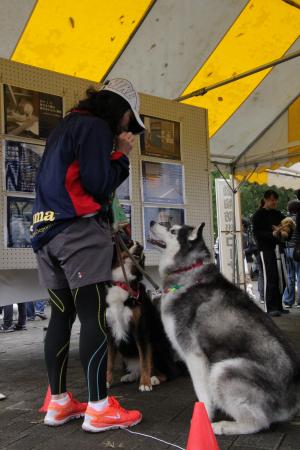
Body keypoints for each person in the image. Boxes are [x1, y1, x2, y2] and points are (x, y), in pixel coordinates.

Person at [30, 79, 145, 432]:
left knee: (61, 317)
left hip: (45, 232)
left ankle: (60, 403)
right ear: (119, 109)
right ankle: (97, 407)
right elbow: (98, 183)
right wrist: (121, 156)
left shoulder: (63, 128)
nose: (128, 128)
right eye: (129, 120)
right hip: (77, 232)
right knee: (93, 314)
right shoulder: (95, 127)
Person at [252, 190, 289, 317]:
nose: (275, 202)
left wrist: (286, 229)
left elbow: (286, 227)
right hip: (265, 250)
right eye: (272, 200)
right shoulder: (258, 215)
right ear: (265, 199)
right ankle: (270, 307)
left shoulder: (277, 213)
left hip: (279, 249)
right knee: (270, 278)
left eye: (275, 200)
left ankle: (279, 306)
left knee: (281, 279)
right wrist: (271, 234)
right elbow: (257, 234)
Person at [282, 200, 300, 308]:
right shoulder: (299, 219)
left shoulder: (285, 220)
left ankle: (288, 301)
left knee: (290, 275)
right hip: (298, 250)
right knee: (299, 274)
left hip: (287, 249)